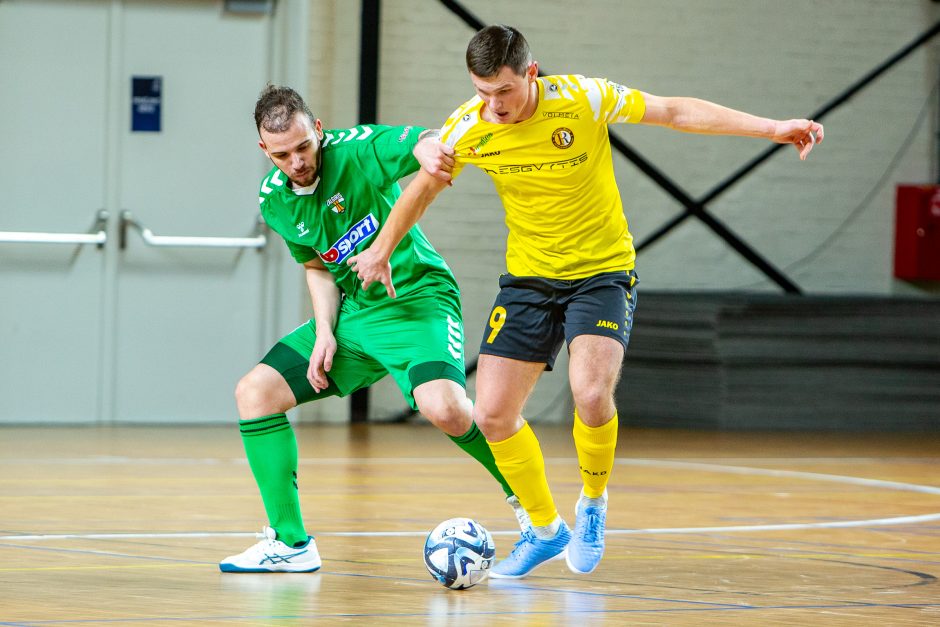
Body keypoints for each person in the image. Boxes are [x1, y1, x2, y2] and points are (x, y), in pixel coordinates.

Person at [348, 25, 824, 578]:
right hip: (528, 280)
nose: (492, 105)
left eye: (502, 91)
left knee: (591, 394)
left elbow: (674, 111)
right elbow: (421, 190)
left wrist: (774, 129)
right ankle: (547, 531)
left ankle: (593, 506)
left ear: (530, 72)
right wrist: (381, 250)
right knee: (494, 414)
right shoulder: (468, 127)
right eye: (481, 92)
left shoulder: (583, 98)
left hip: (601, 272)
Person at [219, 85, 528, 573]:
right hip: (354, 316)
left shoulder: (355, 149)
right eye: (282, 154)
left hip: (416, 300)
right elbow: (318, 267)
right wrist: (324, 331)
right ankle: (291, 544)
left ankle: (530, 506)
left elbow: (416, 142)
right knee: (255, 393)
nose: (296, 161)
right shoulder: (275, 202)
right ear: (264, 150)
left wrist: (430, 146)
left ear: (318, 130)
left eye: (303, 146)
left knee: (446, 408)